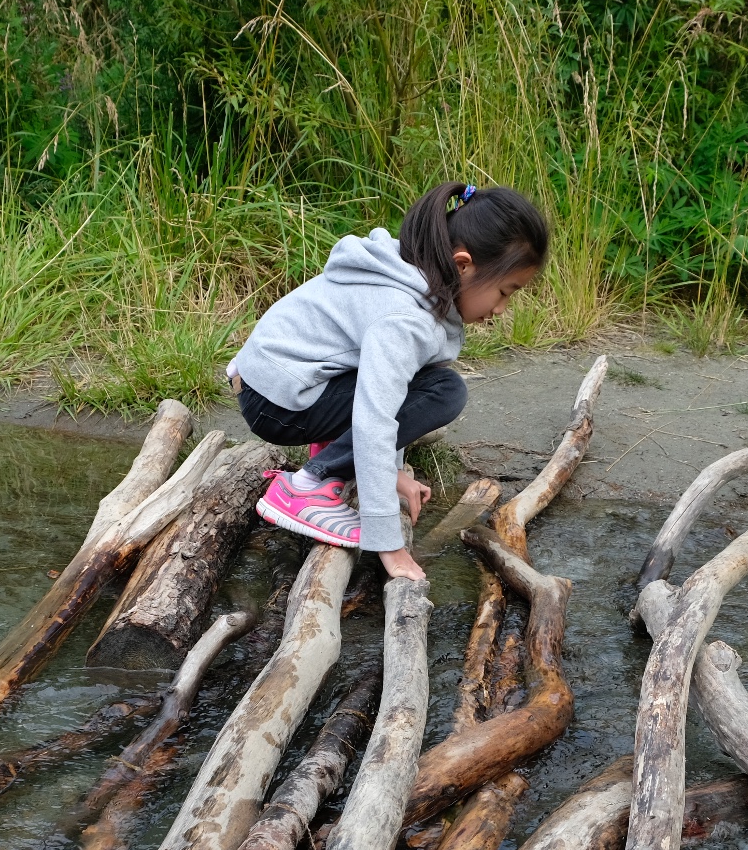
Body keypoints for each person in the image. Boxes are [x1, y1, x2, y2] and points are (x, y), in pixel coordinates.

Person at [228, 181, 549, 581]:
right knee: (444, 392)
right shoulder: (403, 318)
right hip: (277, 402)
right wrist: (389, 545)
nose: (501, 309)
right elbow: (376, 417)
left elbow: (387, 382)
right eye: (505, 291)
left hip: (272, 381)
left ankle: (330, 461)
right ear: (463, 264)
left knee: (427, 382)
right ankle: (305, 485)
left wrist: (389, 473)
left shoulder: (406, 268)